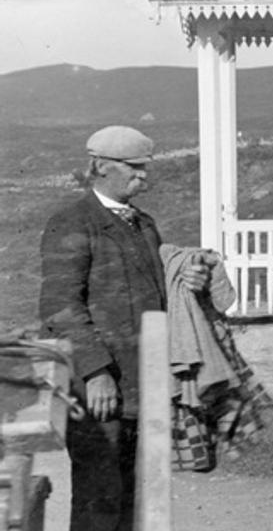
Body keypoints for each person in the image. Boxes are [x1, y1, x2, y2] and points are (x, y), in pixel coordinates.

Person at [40, 126, 215, 531]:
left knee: (139, 497)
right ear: (100, 167)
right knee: (99, 499)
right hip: (97, 391)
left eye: (145, 168)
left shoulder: (145, 225)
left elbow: (159, 289)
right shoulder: (72, 222)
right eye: (134, 168)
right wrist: (95, 371)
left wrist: (190, 283)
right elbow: (59, 306)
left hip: (144, 387)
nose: (144, 177)